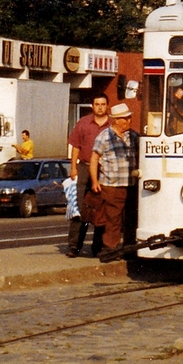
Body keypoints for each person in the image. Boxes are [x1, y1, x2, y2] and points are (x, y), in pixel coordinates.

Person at [92, 103, 140, 262]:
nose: (129, 120)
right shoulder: (104, 136)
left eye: (129, 117)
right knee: (113, 218)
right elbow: (94, 159)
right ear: (116, 120)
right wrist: (94, 180)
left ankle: (130, 248)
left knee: (131, 218)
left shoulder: (133, 136)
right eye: (125, 118)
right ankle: (111, 249)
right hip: (111, 185)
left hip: (131, 184)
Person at [66, 94, 110, 257]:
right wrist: (73, 168)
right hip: (84, 167)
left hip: (104, 169)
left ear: (107, 106)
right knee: (78, 207)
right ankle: (74, 246)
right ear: (92, 106)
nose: (100, 107)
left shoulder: (112, 125)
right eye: (97, 104)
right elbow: (76, 147)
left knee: (101, 209)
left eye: (103, 104)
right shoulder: (83, 123)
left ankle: (98, 246)